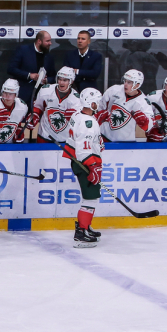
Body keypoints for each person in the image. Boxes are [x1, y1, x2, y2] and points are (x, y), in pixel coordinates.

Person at [62, 87, 104, 248]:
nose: (98, 104)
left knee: (92, 196)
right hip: (85, 163)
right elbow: (83, 149)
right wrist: (93, 166)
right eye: (96, 101)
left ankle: (86, 227)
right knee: (91, 197)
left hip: (79, 161)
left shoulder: (77, 114)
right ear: (90, 103)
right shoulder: (88, 122)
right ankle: (81, 233)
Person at [96, 69, 160, 142]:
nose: (125, 84)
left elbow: (149, 126)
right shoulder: (113, 90)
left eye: (129, 82)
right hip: (104, 135)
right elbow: (100, 108)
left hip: (125, 142)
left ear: (137, 85)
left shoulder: (143, 102)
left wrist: (144, 121)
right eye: (125, 81)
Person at [25, 66, 81, 143]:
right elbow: (38, 107)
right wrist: (33, 116)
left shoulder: (76, 99)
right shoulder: (46, 90)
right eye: (60, 79)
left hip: (65, 139)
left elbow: (77, 121)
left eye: (65, 80)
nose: (61, 82)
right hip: (45, 135)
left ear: (71, 81)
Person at [8, 30, 57, 103]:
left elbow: (53, 76)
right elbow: (11, 69)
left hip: (42, 96)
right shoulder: (23, 50)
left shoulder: (49, 56)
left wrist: (46, 80)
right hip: (24, 95)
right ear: (39, 41)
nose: (50, 43)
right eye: (47, 41)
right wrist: (29, 75)